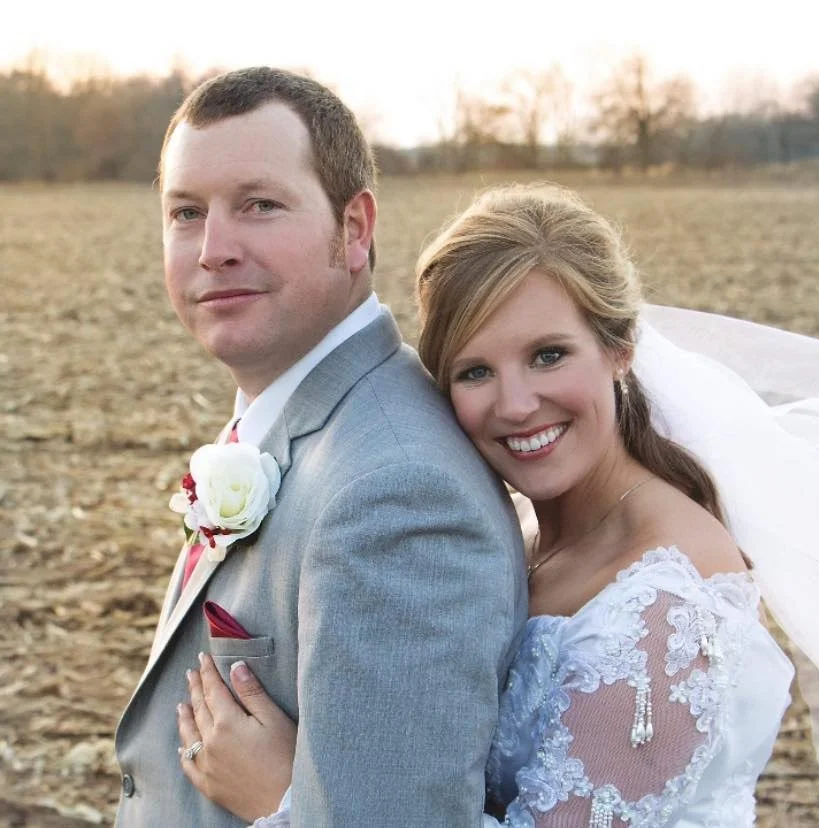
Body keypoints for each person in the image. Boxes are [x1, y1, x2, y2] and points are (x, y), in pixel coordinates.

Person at [176, 183, 819, 826]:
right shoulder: (509, 533)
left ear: (619, 347)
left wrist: (286, 801)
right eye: (476, 371)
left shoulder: (668, 604)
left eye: (548, 356)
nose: (515, 404)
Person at [113, 67, 528, 827]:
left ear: (355, 228)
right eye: (185, 212)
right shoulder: (298, 420)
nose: (212, 249)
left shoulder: (397, 493)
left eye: (260, 205)